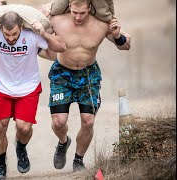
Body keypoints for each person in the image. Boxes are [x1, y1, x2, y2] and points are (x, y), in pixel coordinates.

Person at [0, 12, 66, 179]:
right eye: (7, 34)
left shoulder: (31, 35)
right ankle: (0, 167)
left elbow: (61, 48)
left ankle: (21, 147)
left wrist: (44, 33)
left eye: (14, 34)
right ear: (0, 28)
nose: (10, 38)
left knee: (24, 128)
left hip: (28, 87)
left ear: (21, 28)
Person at [43, 0, 131, 172]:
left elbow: (126, 45)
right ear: (69, 6)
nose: (77, 17)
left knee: (88, 121)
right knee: (59, 122)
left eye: (82, 13)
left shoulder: (102, 24)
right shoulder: (57, 20)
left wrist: (118, 35)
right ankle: (63, 142)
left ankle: (78, 160)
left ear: (89, 8)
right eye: (74, 12)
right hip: (62, 73)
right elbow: (35, 37)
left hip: (88, 74)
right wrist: (41, 21)